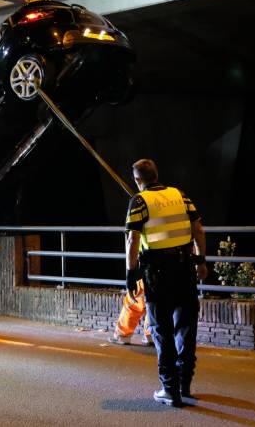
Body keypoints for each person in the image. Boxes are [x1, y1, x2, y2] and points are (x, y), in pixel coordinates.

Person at [124, 159, 207, 407]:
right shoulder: (179, 195)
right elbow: (199, 229)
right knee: (186, 327)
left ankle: (169, 389)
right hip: (185, 268)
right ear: (156, 175)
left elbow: (133, 240)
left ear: (138, 180)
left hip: (157, 272)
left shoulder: (139, 201)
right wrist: (201, 261)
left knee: (162, 329)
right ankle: (185, 385)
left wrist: (131, 273)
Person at [108, 280, 153, 346]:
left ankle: (122, 336)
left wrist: (130, 283)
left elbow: (132, 270)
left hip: (148, 280)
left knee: (132, 307)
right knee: (153, 308)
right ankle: (151, 336)